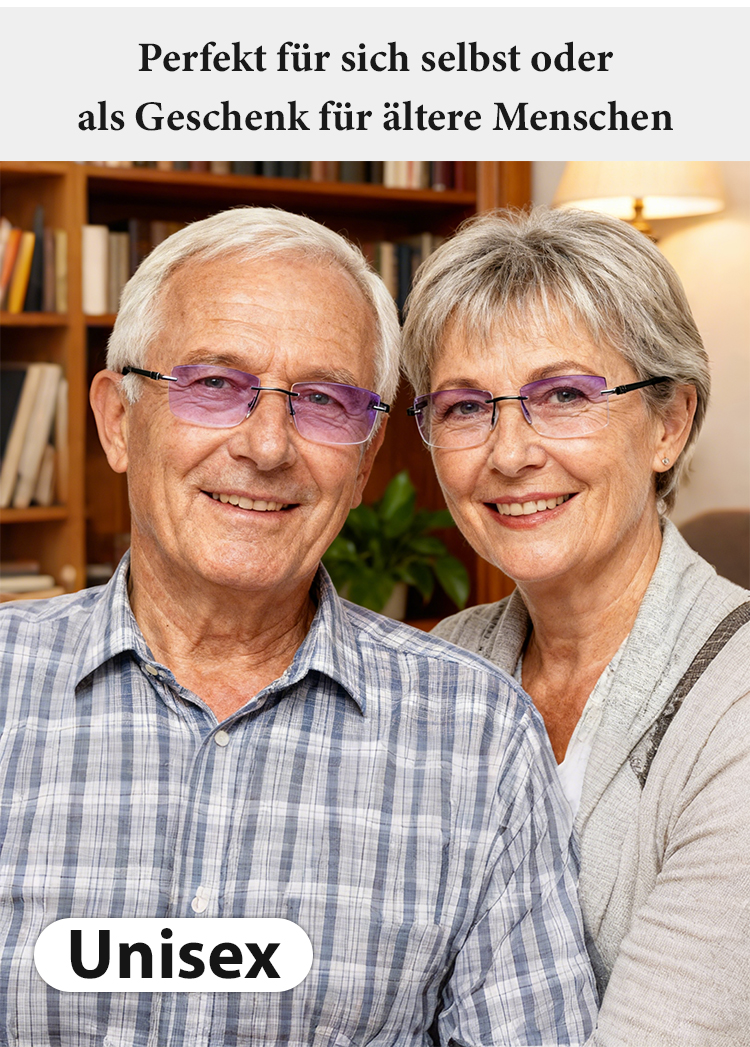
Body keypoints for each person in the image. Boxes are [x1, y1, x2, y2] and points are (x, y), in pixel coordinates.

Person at [0, 207, 597, 1046]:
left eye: (321, 400)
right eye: (214, 384)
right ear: (116, 420)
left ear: (364, 459)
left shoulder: (480, 737)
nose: (269, 444)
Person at [402, 206, 750, 1047]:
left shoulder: (735, 708)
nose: (510, 452)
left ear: (668, 423)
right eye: (464, 407)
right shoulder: (439, 663)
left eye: (564, 395)